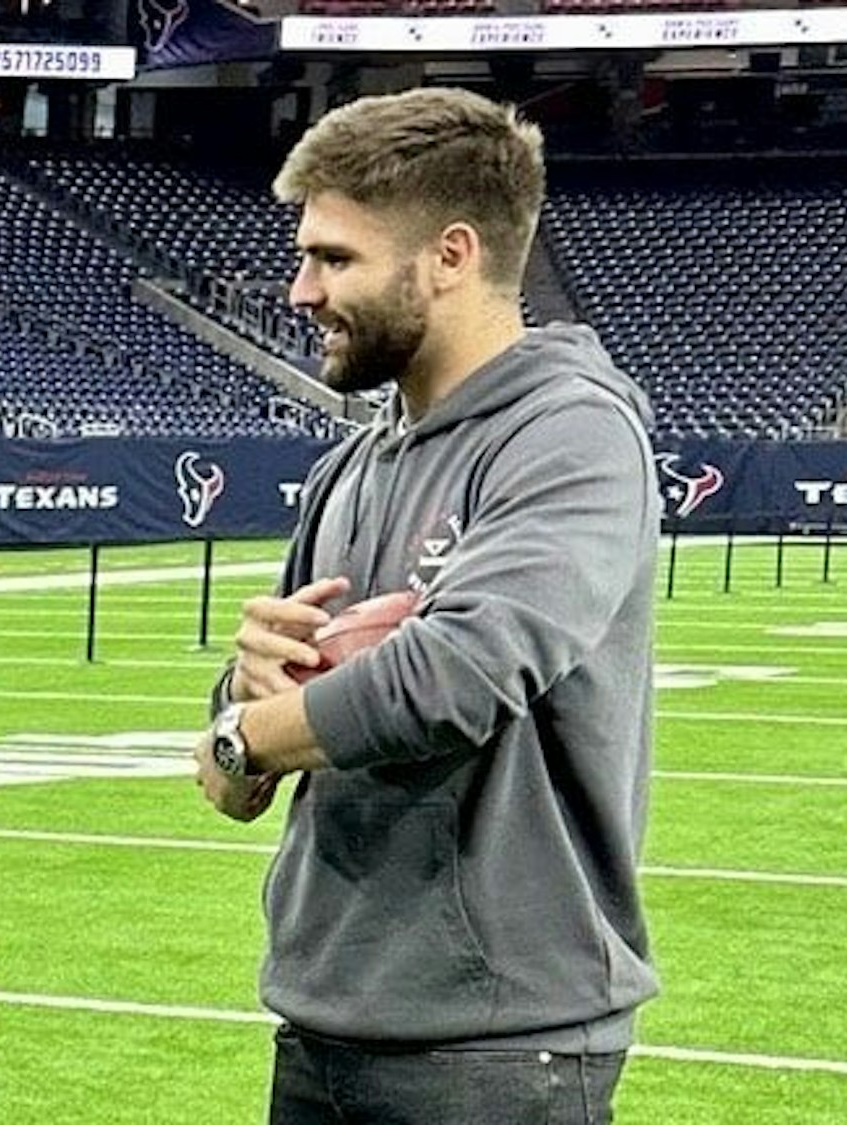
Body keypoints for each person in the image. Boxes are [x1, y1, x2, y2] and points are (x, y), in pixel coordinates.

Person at [193, 87, 660, 1124]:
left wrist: (247, 733)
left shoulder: (569, 436)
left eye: (333, 258)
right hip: (321, 1018)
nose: (300, 289)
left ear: (449, 256)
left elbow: (454, 677)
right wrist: (245, 693)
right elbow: (227, 783)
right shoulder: (346, 469)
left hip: (496, 1047)